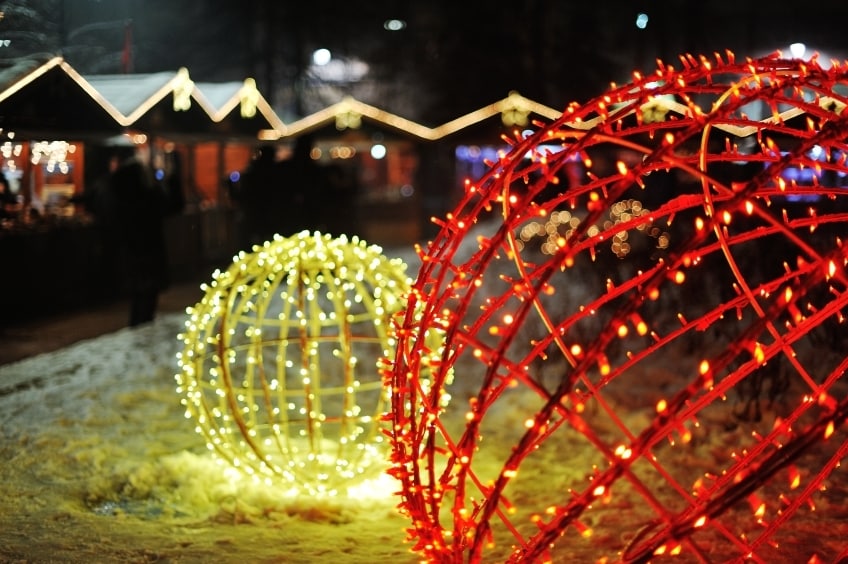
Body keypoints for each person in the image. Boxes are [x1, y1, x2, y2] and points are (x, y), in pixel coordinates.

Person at [99, 143, 171, 327]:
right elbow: (168, 206)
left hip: (133, 248)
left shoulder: (119, 191)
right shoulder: (147, 194)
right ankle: (143, 323)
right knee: (146, 291)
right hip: (146, 248)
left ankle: (138, 323)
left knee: (139, 291)